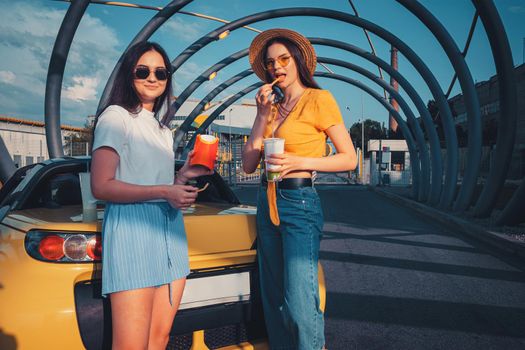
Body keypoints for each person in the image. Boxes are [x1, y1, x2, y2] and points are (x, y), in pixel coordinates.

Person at [90, 41, 211, 350]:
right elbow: (101, 185)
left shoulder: (162, 129)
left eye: (161, 71)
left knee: (160, 339)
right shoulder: (116, 117)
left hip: (170, 229)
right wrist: (164, 191)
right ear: (128, 75)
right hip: (133, 229)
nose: (152, 77)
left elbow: (152, 178)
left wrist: (183, 177)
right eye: (143, 70)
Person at [242, 29, 357, 349]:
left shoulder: (319, 99)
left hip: (298, 200)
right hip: (266, 201)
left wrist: (300, 160)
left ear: (298, 62)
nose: (276, 67)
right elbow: (249, 164)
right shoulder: (270, 108)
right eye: (270, 63)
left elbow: (349, 159)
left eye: (283, 59)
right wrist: (261, 114)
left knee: (299, 304)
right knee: (274, 300)